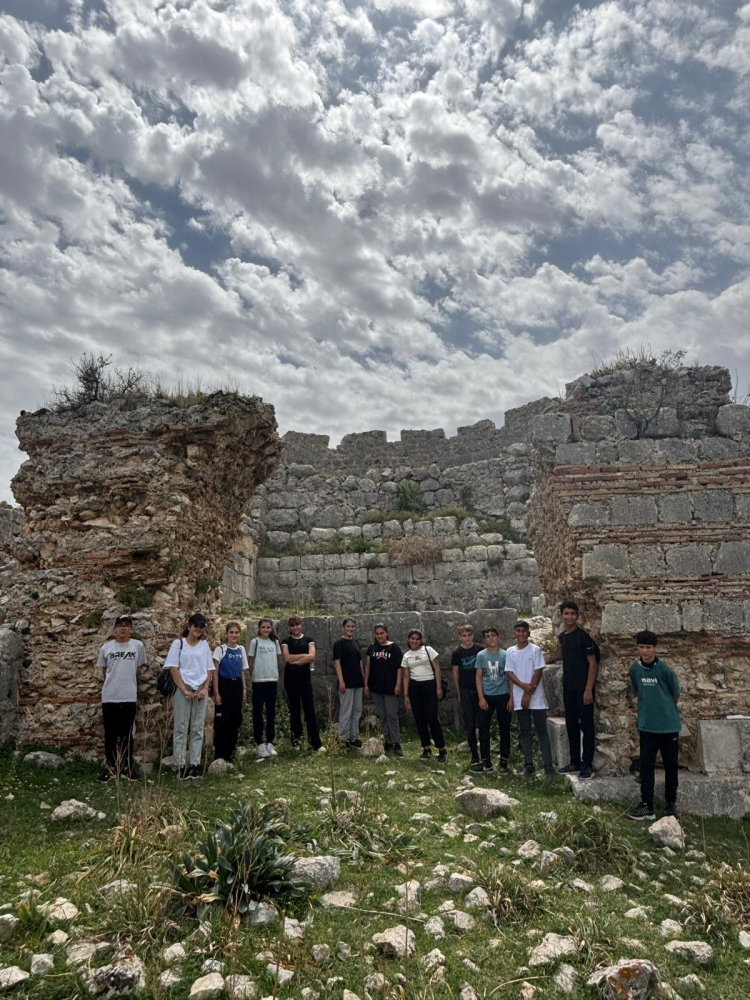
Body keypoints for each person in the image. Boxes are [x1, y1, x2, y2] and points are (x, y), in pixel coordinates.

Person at [627, 630, 681, 821]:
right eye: (641, 647)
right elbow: (635, 691)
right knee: (647, 766)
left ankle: (670, 803)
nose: (645, 651)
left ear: (655, 648)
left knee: (671, 765)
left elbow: (675, 693)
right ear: (638, 648)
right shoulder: (635, 669)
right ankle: (647, 805)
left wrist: (663, 708)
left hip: (668, 726)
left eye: (648, 647)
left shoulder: (665, 670)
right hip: (647, 726)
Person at [96, 614, 148, 781]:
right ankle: (111, 767)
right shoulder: (106, 648)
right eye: (120, 625)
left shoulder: (137, 646)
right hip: (110, 696)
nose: (123, 628)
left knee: (127, 734)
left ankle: (127, 767)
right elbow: (105, 671)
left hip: (129, 696)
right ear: (115, 628)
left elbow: (138, 669)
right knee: (110, 734)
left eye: (126, 625)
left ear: (131, 629)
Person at [164, 612, 215, 779]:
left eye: (201, 627)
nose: (198, 629)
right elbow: (173, 667)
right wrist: (184, 689)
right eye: (195, 626)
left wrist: (205, 688)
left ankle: (194, 763)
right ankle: (179, 764)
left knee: (197, 728)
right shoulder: (178, 644)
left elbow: (209, 668)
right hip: (183, 687)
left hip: (200, 687)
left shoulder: (204, 645)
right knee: (181, 726)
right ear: (189, 627)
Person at [505, 620, 553, 777]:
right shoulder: (510, 652)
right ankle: (528, 763)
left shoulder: (535, 650)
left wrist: (528, 692)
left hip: (536, 697)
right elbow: (510, 674)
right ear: (514, 633)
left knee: (541, 730)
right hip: (520, 696)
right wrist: (520, 691)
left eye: (523, 631)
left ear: (528, 633)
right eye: (517, 631)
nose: (521, 634)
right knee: (524, 730)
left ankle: (548, 766)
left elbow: (538, 671)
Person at [557, 601, 598, 779]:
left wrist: (588, 689)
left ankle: (587, 764)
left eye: (573, 614)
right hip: (569, 689)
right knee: (571, 725)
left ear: (578, 616)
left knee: (587, 726)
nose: (569, 617)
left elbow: (593, 663)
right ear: (562, 616)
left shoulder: (583, 637)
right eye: (566, 613)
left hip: (583, 690)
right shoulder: (562, 637)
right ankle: (574, 762)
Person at [402, 629, 447, 764]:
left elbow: (437, 668)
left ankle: (442, 749)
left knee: (432, 718)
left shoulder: (428, 650)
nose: (415, 641)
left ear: (420, 640)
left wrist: (438, 687)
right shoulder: (407, 656)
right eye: (412, 638)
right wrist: (406, 695)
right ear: (408, 639)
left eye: (417, 639)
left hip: (429, 685)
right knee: (419, 718)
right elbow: (406, 676)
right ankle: (426, 748)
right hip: (415, 687)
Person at [281, 616, 324, 753]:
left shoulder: (308, 639)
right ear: (289, 627)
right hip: (291, 679)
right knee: (294, 709)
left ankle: (315, 742)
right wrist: (303, 657)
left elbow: (312, 656)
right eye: (292, 626)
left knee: (309, 709)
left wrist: (296, 660)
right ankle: (296, 741)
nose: (295, 628)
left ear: (301, 625)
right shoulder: (286, 641)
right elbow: (287, 658)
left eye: (297, 625)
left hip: (305, 679)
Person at [474, 626, 512, 775]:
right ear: (484, 640)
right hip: (487, 696)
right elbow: (478, 676)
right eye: (487, 636)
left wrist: (512, 698)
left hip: (503, 695)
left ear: (498, 637)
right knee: (484, 729)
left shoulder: (505, 655)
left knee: (504, 729)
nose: (491, 638)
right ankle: (486, 761)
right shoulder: (481, 656)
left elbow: (510, 677)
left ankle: (504, 761)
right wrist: (481, 697)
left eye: (493, 635)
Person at [364, 624, 404, 756]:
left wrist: (398, 684)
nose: (379, 636)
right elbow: (368, 666)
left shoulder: (394, 648)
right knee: (382, 715)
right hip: (376, 687)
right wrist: (366, 684)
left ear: (387, 633)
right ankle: (387, 740)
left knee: (392, 715)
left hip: (390, 687)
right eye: (377, 634)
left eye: (382, 633)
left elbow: (399, 668)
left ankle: (396, 742)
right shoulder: (372, 648)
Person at [212, 622, 249, 763]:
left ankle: (231, 754)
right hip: (224, 685)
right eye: (231, 632)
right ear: (226, 633)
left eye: (236, 632)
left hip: (237, 685)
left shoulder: (241, 650)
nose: (234, 635)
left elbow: (242, 671)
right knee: (222, 720)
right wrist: (216, 692)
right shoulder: (220, 650)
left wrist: (244, 689)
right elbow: (215, 672)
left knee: (235, 719)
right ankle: (220, 754)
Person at [248, 618, 282, 759]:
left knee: (271, 712)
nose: (266, 629)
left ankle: (270, 742)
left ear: (271, 628)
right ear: (259, 628)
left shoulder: (275, 642)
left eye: (268, 627)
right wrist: (253, 675)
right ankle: (259, 743)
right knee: (258, 713)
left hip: (272, 680)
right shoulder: (254, 642)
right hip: (259, 681)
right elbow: (251, 660)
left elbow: (278, 658)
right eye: (263, 627)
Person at [450, 624, 484, 768]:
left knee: (482, 722)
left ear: (473, 636)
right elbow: (456, 673)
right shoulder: (457, 653)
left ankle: (485, 753)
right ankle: (474, 755)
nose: (467, 638)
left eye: (469, 635)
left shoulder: (480, 650)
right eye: (464, 636)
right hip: (466, 690)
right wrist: (459, 692)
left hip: (480, 690)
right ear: (460, 637)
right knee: (469, 723)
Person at [333, 618, 365, 748]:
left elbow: (359, 662)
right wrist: (341, 681)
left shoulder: (355, 642)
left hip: (358, 681)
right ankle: (343, 738)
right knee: (346, 711)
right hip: (346, 682)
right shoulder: (339, 643)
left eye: (352, 626)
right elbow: (337, 662)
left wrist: (363, 679)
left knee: (357, 710)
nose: (350, 629)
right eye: (348, 626)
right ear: (343, 627)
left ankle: (353, 737)